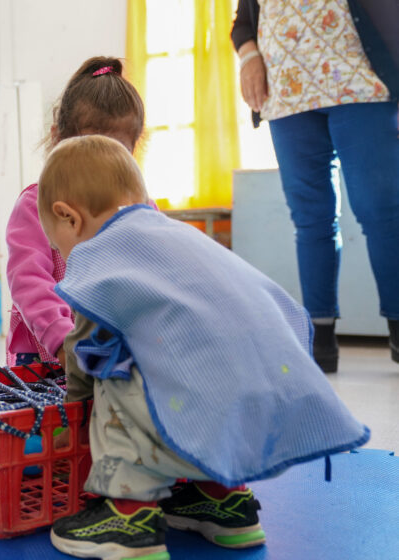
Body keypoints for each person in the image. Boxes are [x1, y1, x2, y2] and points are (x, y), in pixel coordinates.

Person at [38, 136, 369, 560]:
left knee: (110, 370)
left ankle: (128, 517)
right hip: (269, 393)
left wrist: (74, 409)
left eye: (58, 245)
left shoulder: (100, 254)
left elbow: (82, 347)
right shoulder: (177, 234)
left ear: (68, 217)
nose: (65, 256)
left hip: (201, 401)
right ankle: (225, 501)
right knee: (184, 362)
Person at [231, 0, 399, 372]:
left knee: (380, 212)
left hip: (362, 87)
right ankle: (320, 335)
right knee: (311, 220)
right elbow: (243, 24)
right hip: (288, 97)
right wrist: (248, 57)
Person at [5, 56, 146, 368]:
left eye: (116, 155)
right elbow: (28, 281)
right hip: (45, 358)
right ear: (58, 138)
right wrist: (65, 343)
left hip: (113, 358)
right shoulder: (34, 205)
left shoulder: (141, 210)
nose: (101, 169)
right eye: (89, 151)